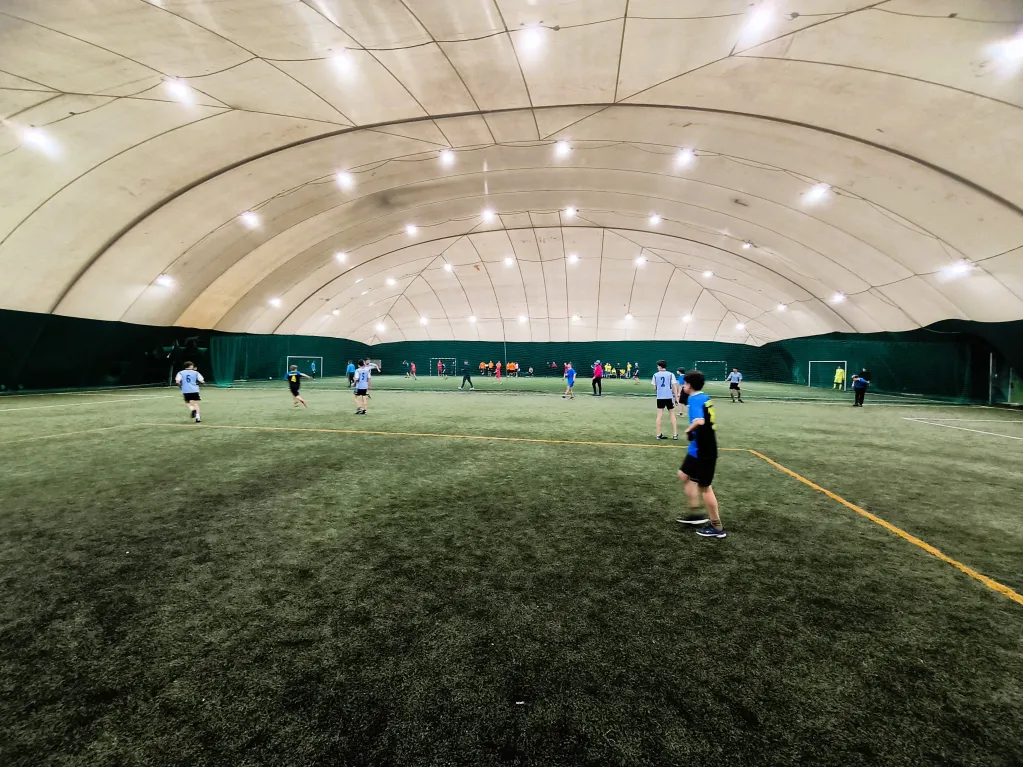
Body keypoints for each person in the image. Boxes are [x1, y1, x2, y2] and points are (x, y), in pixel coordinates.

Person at [675, 371, 726, 538]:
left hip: (704, 451)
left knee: (705, 487)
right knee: (684, 475)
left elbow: (700, 421)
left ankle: (717, 527)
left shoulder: (695, 399)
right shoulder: (704, 396)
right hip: (696, 449)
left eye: (685, 383)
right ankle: (695, 514)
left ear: (690, 385)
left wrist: (688, 429)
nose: (683, 386)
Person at [652, 360, 679, 440]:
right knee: (672, 415)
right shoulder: (671, 374)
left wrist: (660, 391)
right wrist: (676, 398)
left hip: (660, 398)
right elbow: (674, 387)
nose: (657, 367)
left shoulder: (655, 375)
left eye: (658, 366)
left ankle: (658, 434)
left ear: (660, 366)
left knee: (659, 415)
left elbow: (654, 388)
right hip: (669, 397)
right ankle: (675, 435)